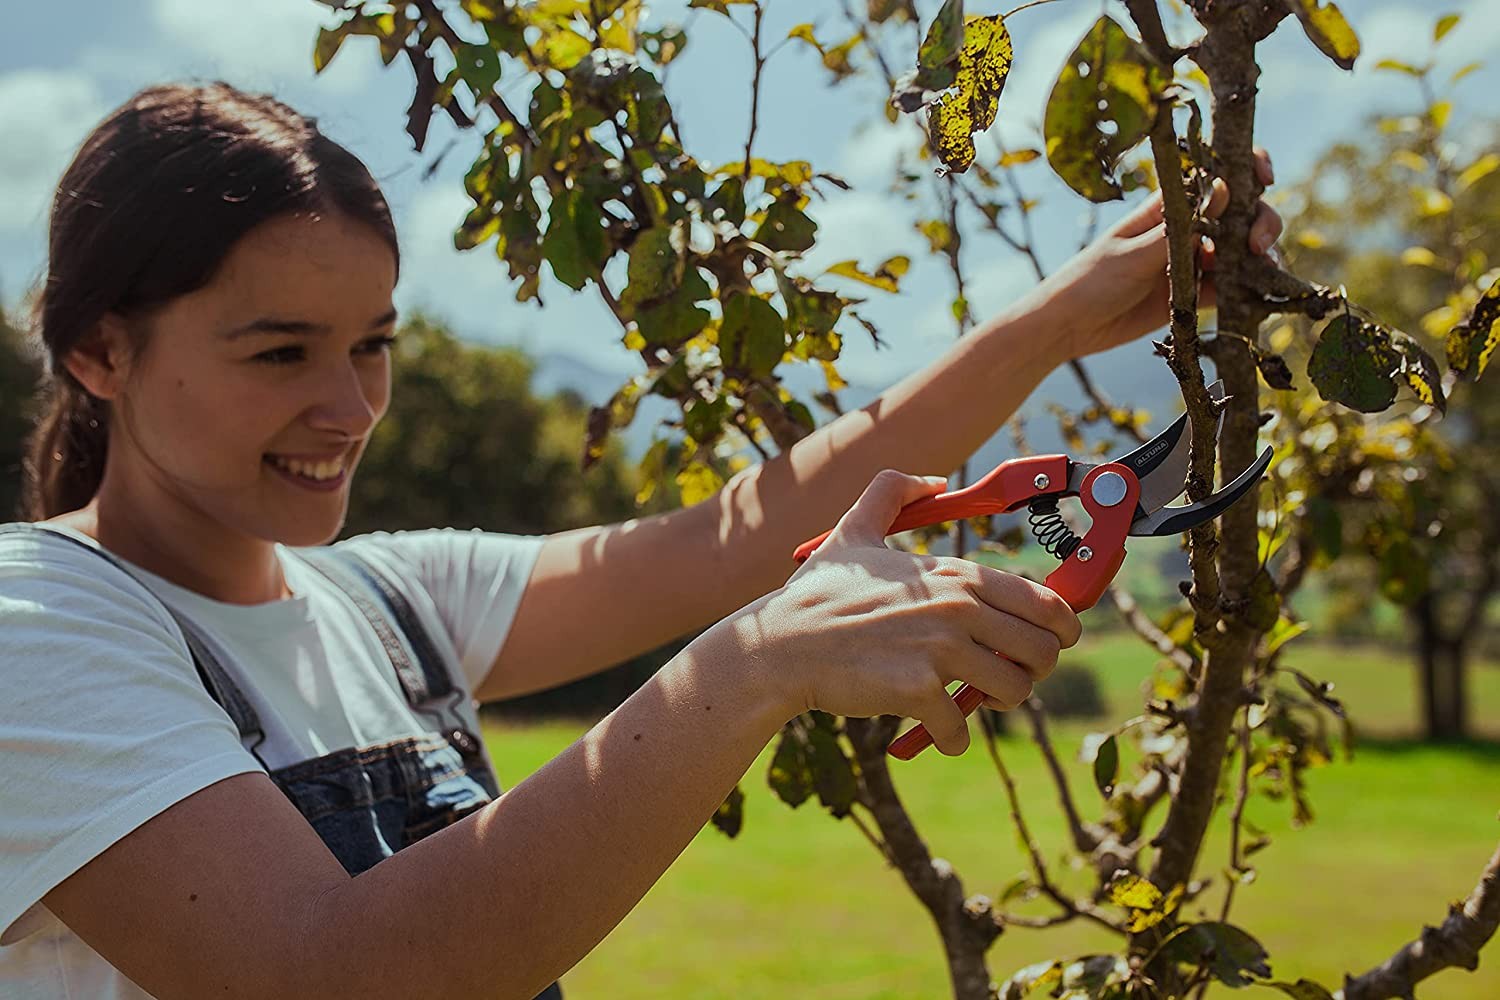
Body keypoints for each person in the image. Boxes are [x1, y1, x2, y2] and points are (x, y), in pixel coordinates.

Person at [0, 80, 1282, 999]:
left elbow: (735, 537)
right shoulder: (38, 623)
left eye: (374, 342)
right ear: (99, 349)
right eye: (281, 351)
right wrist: (751, 669)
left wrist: (1061, 314)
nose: (350, 407)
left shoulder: (382, 602)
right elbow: (320, 971)